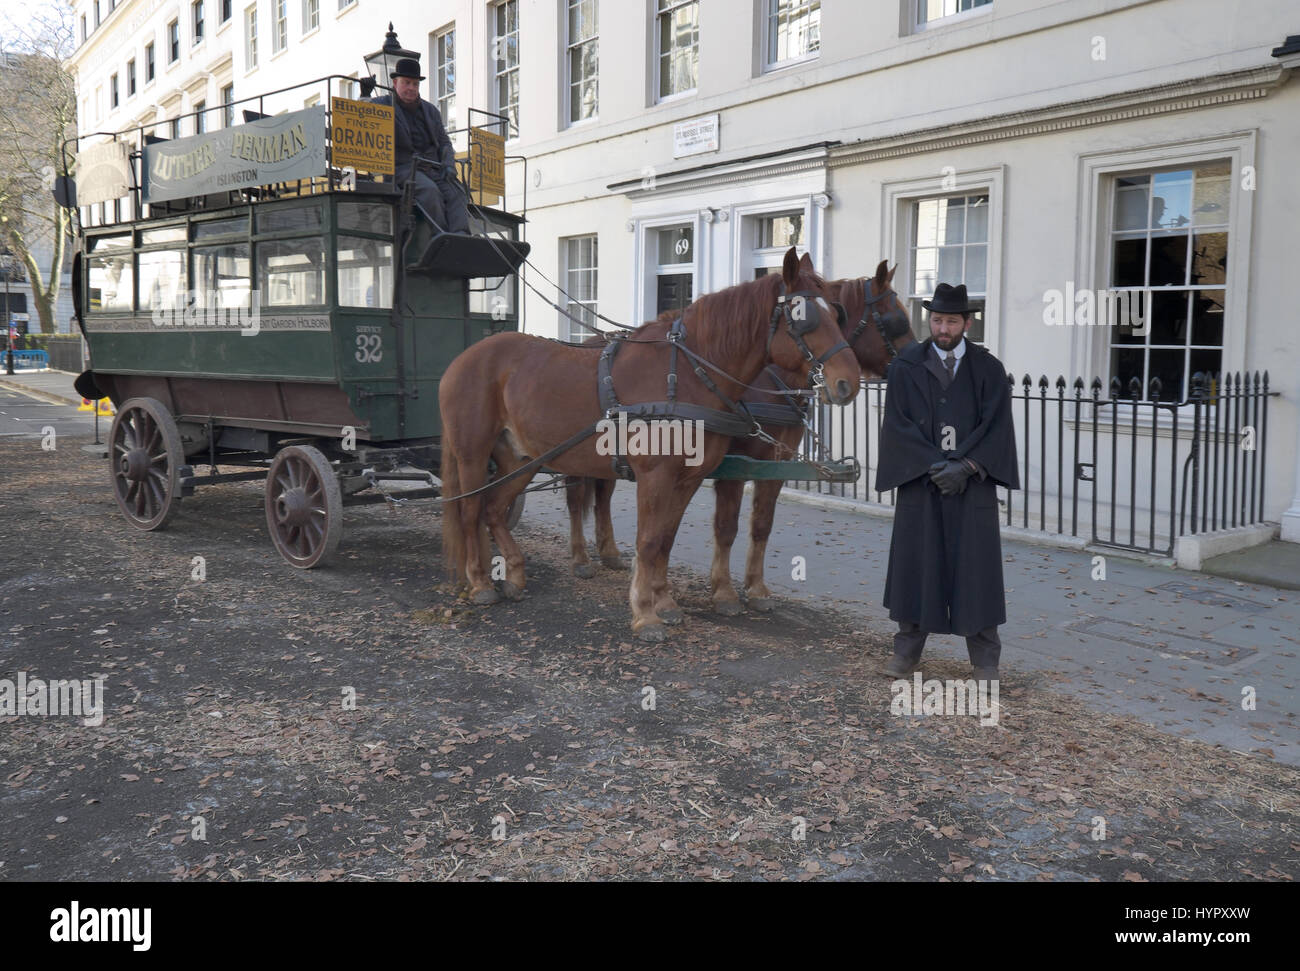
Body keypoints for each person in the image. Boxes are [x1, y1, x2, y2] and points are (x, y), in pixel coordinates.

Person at [874, 283, 1020, 681]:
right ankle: (906, 653)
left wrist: (968, 466)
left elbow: (997, 428)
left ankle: (985, 661)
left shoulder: (987, 370)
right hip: (921, 484)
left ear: (966, 323)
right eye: (937, 319)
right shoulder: (906, 367)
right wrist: (935, 465)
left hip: (972, 487)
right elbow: (898, 426)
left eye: (951, 321)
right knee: (916, 566)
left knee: (977, 571)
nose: (942, 327)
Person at [369, 57, 470, 234]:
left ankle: (461, 235)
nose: (411, 88)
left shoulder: (431, 111)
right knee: (430, 192)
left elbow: (444, 142)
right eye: (407, 83)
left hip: (434, 168)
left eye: (415, 84)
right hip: (403, 169)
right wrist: (364, 93)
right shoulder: (383, 105)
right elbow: (360, 114)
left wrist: (448, 165)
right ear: (395, 82)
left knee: (457, 191)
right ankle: (442, 236)